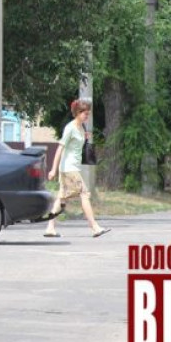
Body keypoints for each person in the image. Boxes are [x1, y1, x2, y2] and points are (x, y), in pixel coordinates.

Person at [44, 98, 110, 238]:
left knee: (62, 198)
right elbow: (60, 148)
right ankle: (94, 227)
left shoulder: (80, 127)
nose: (87, 116)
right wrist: (53, 169)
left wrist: (84, 137)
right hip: (69, 168)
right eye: (85, 113)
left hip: (71, 167)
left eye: (88, 113)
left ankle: (50, 227)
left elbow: (76, 144)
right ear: (78, 113)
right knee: (84, 194)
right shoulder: (70, 128)